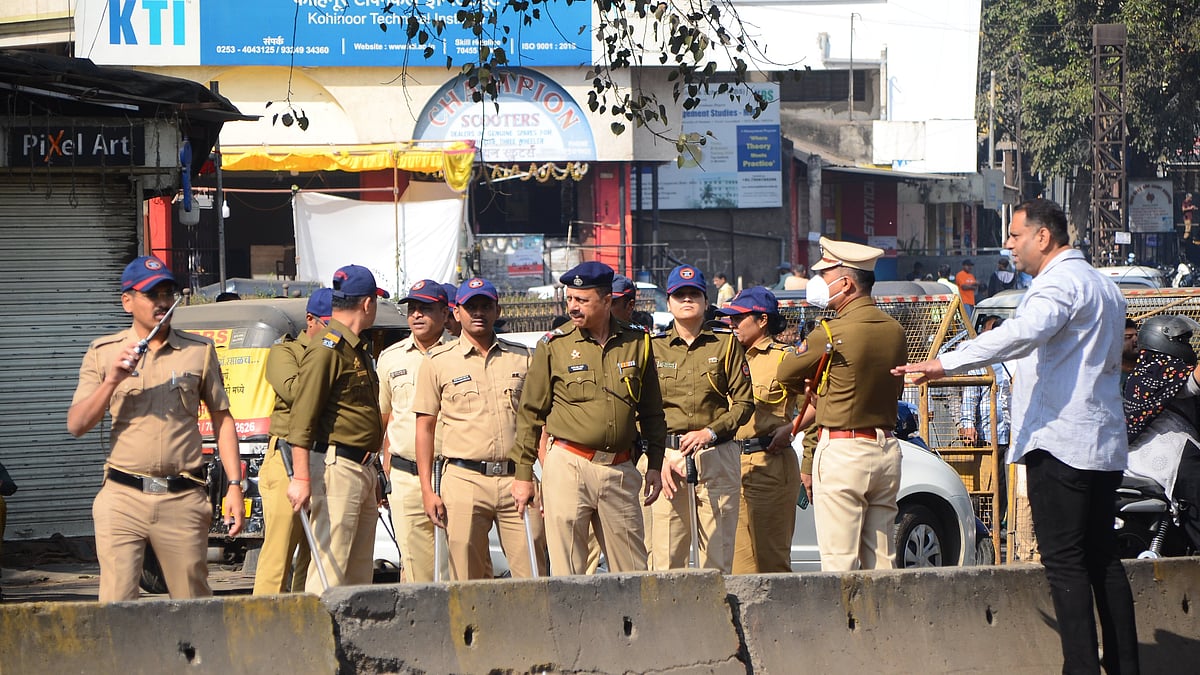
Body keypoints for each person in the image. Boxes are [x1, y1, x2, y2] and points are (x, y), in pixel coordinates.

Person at [893, 199, 1139, 674]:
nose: (1008, 245)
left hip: (1062, 442)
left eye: (1014, 235)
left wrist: (944, 362)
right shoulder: (1102, 286)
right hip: (1099, 443)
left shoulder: (1059, 285)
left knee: (1066, 563)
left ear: (1042, 237)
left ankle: (1082, 667)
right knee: (1101, 559)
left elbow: (1023, 333)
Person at [67, 256, 244, 602]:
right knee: (117, 604)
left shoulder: (199, 351)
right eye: (152, 294)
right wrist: (113, 380)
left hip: (182, 495)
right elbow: (77, 425)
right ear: (127, 301)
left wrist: (235, 486)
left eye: (168, 293)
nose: (163, 303)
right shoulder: (104, 353)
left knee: (194, 603)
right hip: (122, 497)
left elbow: (223, 420)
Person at [510, 261, 668, 575]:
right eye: (570, 299)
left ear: (607, 301)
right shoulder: (554, 345)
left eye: (582, 300)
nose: (573, 307)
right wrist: (523, 474)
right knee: (568, 572)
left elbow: (651, 410)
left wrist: (655, 463)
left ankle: (632, 626)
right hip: (569, 465)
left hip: (620, 469)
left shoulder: (638, 342)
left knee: (633, 571)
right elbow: (530, 413)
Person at [777, 238, 906, 572]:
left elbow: (785, 371)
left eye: (827, 273)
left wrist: (816, 388)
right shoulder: (894, 331)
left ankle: (845, 625)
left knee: (839, 565)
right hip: (886, 449)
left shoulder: (830, 332)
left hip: (844, 449)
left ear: (846, 283)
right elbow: (896, 388)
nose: (820, 282)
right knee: (881, 562)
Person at [415, 278, 546, 579]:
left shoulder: (522, 357)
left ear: (497, 310)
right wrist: (427, 490)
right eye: (470, 306)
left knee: (533, 573)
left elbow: (540, 423)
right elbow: (425, 428)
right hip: (465, 479)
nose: (478, 313)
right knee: (467, 578)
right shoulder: (437, 362)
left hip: (518, 478)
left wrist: (546, 476)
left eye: (486, 306)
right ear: (456, 312)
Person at [286, 264, 388, 591]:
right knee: (330, 570)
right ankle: (317, 641)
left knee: (358, 575)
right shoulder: (327, 348)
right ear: (368, 304)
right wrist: (301, 479)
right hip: (337, 467)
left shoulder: (355, 348)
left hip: (361, 467)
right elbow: (302, 418)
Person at [649, 264, 754, 573]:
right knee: (667, 560)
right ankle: (670, 623)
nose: (686, 299)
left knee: (718, 558)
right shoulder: (652, 349)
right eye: (679, 294)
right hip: (668, 458)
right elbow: (639, 411)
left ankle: (720, 621)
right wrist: (655, 457)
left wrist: (710, 432)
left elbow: (745, 403)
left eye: (693, 293)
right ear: (667, 303)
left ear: (706, 301)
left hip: (716, 454)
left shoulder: (726, 345)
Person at [252, 288, 331, 595]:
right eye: (330, 324)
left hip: (324, 457)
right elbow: (297, 394)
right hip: (286, 456)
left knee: (317, 557)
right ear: (311, 321)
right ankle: (263, 627)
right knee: (279, 553)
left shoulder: (342, 352)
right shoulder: (285, 353)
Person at [718, 287, 802, 574]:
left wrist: (792, 427)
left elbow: (819, 401)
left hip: (769, 464)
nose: (732, 324)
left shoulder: (783, 358)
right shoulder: (729, 356)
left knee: (772, 565)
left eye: (739, 318)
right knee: (738, 568)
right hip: (732, 464)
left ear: (762, 320)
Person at [377, 280, 452, 583]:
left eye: (426, 308)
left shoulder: (459, 354)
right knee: (414, 567)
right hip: (405, 476)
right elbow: (383, 419)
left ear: (446, 313)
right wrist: (382, 469)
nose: (417, 315)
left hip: (451, 472)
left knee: (454, 566)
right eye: (412, 308)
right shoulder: (390, 357)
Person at [1124, 314, 1200, 552]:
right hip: (1171, 459)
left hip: (1134, 461)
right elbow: (1193, 382)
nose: (1187, 346)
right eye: (1183, 341)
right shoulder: (1158, 367)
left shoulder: (1142, 370)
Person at [1121, 318, 1139, 392]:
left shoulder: (1147, 372)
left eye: (1136, 335)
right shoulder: (1110, 377)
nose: (1136, 339)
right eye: (1128, 337)